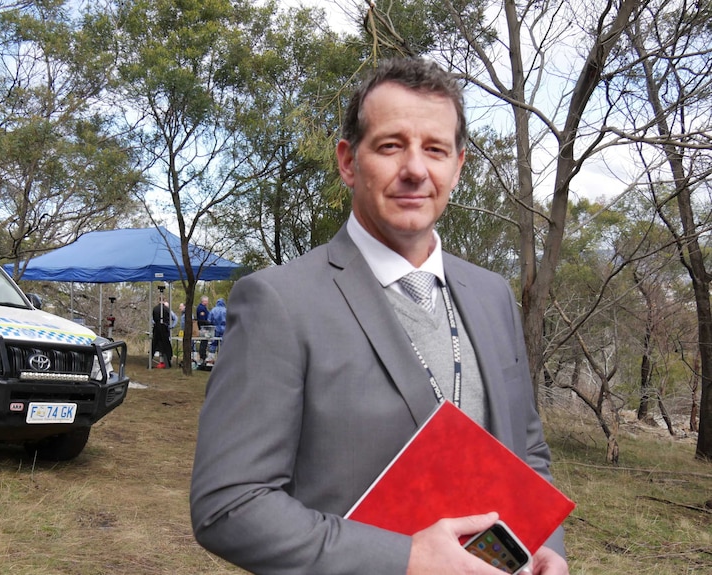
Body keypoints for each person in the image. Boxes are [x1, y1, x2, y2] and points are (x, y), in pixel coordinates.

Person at [190, 57, 569, 575]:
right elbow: (229, 506)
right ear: (349, 161)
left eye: (435, 149)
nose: (415, 169)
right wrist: (405, 560)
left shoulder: (492, 295)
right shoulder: (278, 303)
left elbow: (527, 450)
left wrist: (546, 544)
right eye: (392, 145)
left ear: (457, 167)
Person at [151, 297, 176, 368]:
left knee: (154, 345)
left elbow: (153, 318)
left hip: (156, 329)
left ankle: (151, 361)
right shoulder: (166, 309)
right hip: (164, 329)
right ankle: (168, 362)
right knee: (166, 345)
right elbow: (170, 318)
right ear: (164, 301)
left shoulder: (155, 309)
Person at [195, 295, 211, 362]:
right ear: (203, 301)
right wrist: (209, 323)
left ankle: (203, 355)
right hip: (203, 327)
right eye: (206, 301)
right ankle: (202, 355)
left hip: (204, 326)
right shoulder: (201, 308)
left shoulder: (203, 307)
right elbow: (202, 319)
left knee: (204, 341)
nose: (207, 302)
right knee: (204, 341)